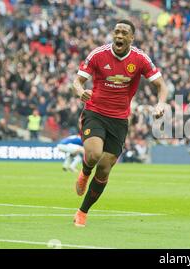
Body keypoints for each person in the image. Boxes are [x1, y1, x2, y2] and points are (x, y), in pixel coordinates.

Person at [72, 19, 168, 227]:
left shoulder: (140, 59)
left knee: (105, 169)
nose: (119, 36)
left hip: (119, 119)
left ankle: (83, 211)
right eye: (116, 32)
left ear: (131, 38)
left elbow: (161, 85)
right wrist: (81, 92)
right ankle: (85, 172)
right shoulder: (98, 54)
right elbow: (78, 80)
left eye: (124, 33)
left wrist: (161, 104)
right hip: (95, 112)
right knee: (95, 154)